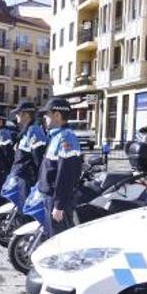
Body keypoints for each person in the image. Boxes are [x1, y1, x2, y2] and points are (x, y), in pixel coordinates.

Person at [36, 98, 82, 237]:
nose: (45, 118)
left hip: (56, 199)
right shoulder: (56, 136)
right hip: (50, 196)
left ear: (57, 115)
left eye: (47, 114)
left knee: (58, 240)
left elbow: (66, 175)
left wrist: (59, 205)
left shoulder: (66, 138)